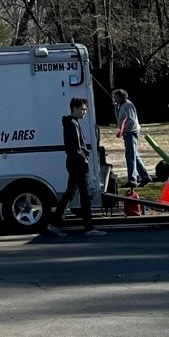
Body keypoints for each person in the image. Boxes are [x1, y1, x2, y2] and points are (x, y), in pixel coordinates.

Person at [43, 97, 105, 238]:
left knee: (70, 193)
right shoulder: (72, 124)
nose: (84, 112)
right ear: (75, 108)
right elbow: (76, 147)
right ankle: (88, 228)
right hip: (78, 163)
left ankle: (55, 223)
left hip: (73, 162)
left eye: (85, 110)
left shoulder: (72, 122)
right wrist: (84, 160)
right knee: (84, 195)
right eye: (82, 109)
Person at [113, 89, 152, 188]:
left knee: (130, 157)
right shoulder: (122, 106)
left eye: (116, 97)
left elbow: (131, 120)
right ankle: (145, 176)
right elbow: (119, 119)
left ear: (121, 96)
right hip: (127, 133)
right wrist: (116, 108)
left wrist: (123, 131)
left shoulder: (128, 105)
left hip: (131, 132)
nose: (115, 99)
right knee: (135, 156)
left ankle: (132, 180)